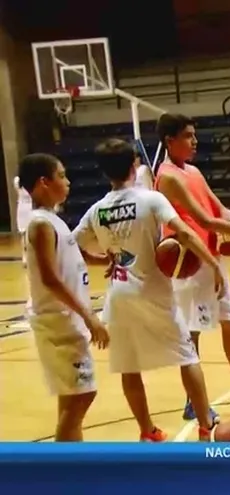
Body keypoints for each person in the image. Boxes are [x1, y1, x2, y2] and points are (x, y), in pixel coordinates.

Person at [75, 139, 220, 441]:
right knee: (187, 356)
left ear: (104, 172)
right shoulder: (151, 199)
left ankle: (147, 430)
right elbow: (183, 232)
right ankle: (206, 425)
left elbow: (73, 245)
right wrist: (213, 264)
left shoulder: (97, 210)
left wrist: (106, 257)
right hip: (153, 291)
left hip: (119, 294)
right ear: (134, 165)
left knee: (129, 366)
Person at [154, 112, 230, 419]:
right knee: (191, 333)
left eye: (194, 135)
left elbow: (218, 209)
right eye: (188, 136)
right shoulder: (167, 176)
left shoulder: (193, 171)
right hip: (188, 262)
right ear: (170, 141)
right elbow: (205, 220)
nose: (194, 141)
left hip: (211, 259)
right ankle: (193, 401)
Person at [19, 153, 110, 441]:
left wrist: (102, 259)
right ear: (43, 182)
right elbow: (50, 277)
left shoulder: (52, 220)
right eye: (62, 176)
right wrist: (90, 316)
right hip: (58, 323)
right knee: (84, 394)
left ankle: (72, 464)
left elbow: (70, 254)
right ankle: (60, 468)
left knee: (71, 397)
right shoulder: (40, 224)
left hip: (65, 320)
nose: (68, 182)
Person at [14, 175, 32, 266]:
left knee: (24, 233)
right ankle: (26, 256)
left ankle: (25, 256)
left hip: (23, 207)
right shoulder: (19, 180)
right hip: (28, 207)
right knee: (25, 233)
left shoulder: (17, 180)